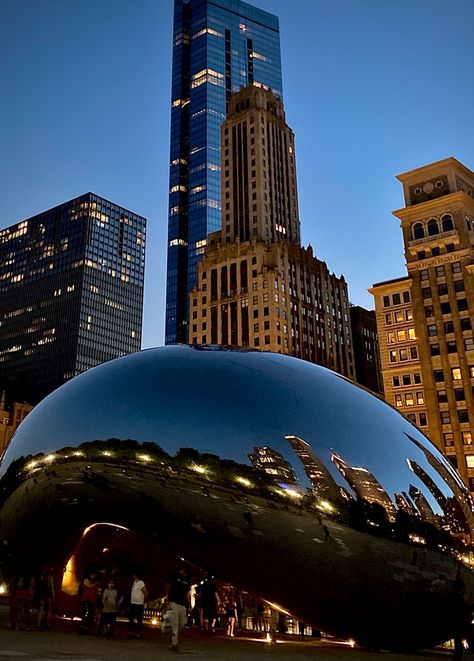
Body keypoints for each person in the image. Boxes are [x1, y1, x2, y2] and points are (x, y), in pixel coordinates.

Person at [165, 565, 191, 652]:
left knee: (182, 623)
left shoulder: (187, 579)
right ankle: (174, 643)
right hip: (174, 601)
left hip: (183, 603)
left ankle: (173, 637)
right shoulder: (174, 576)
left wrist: (189, 604)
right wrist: (167, 599)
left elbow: (188, 592)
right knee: (174, 623)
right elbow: (168, 586)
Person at [448, 578, 471, 661]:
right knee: (459, 648)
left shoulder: (450, 597)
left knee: (458, 647)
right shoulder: (459, 599)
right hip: (459, 626)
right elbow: (463, 613)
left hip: (454, 625)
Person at [128, 571, 147, 639]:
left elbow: (145, 592)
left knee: (139, 618)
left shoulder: (141, 583)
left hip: (139, 603)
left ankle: (138, 633)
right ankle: (132, 631)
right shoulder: (134, 583)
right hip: (133, 603)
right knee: (131, 617)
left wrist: (144, 601)